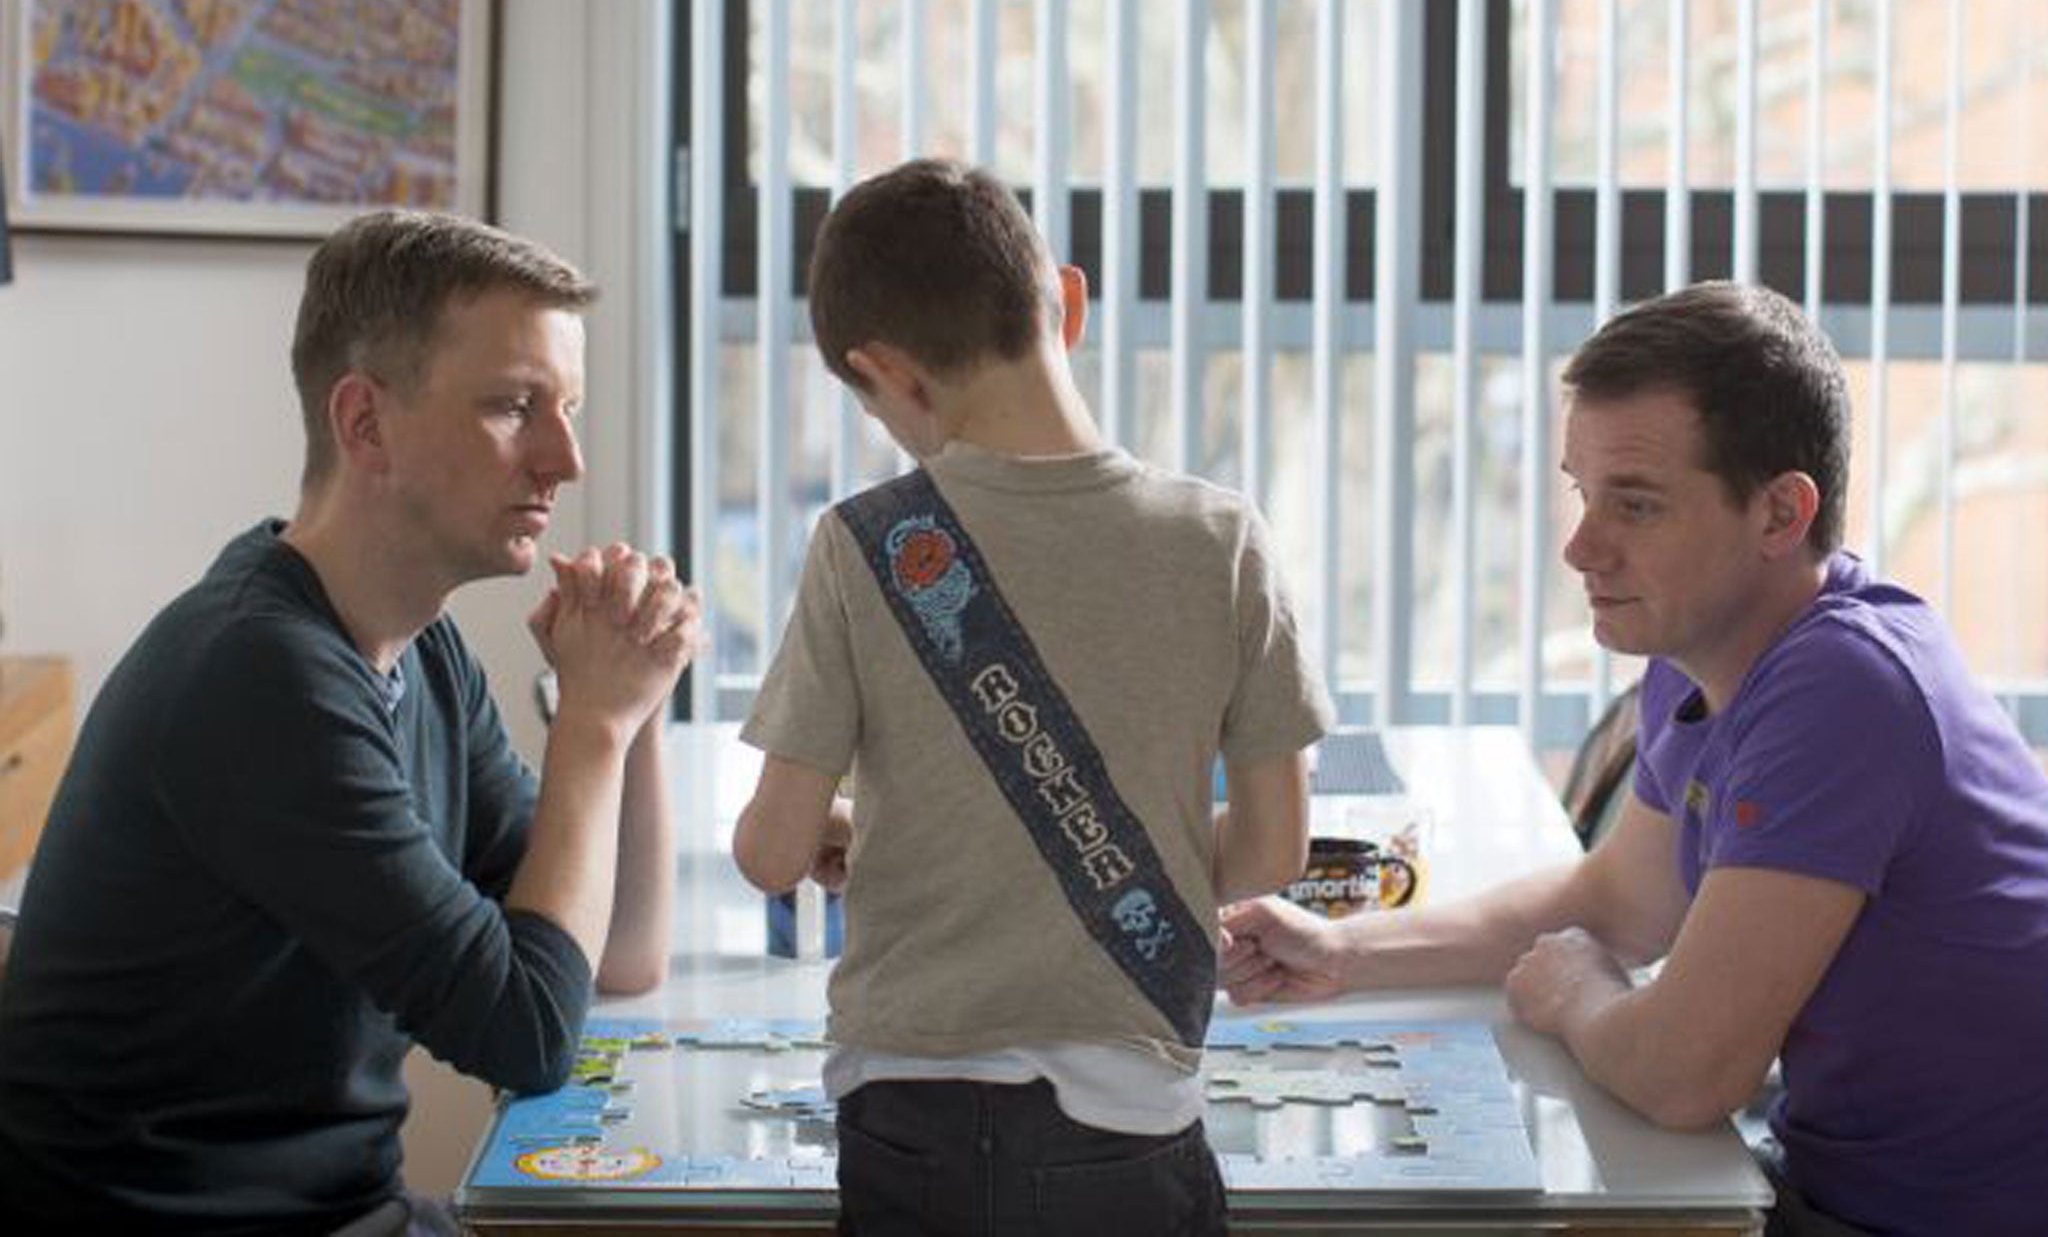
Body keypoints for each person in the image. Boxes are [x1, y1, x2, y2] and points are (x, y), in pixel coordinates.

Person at [1219, 281, 2048, 1237]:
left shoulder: (1846, 688)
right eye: (1582, 494)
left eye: (1638, 506)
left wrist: (1579, 994)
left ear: (1781, 513)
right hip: (1847, 1181)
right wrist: (1341, 952)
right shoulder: (1708, 649)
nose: (1580, 547)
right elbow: (1619, 903)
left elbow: (1684, 1073)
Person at [0, 210, 700, 1236]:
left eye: (570, 409)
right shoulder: (258, 675)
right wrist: (590, 724)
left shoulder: (420, 650)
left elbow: (615, 955)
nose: (565, 459)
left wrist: (629, 711)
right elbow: (528, 1030)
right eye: (516, 406)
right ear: (364, 422)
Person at [732, 158, 1328, 1236]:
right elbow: (1273, 852)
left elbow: (773, 857)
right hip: (1127, 1116)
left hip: (904, 1113)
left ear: (884, 374)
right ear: (1066, 301)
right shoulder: (1219, 539)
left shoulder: (864, 546)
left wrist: (843, 833)